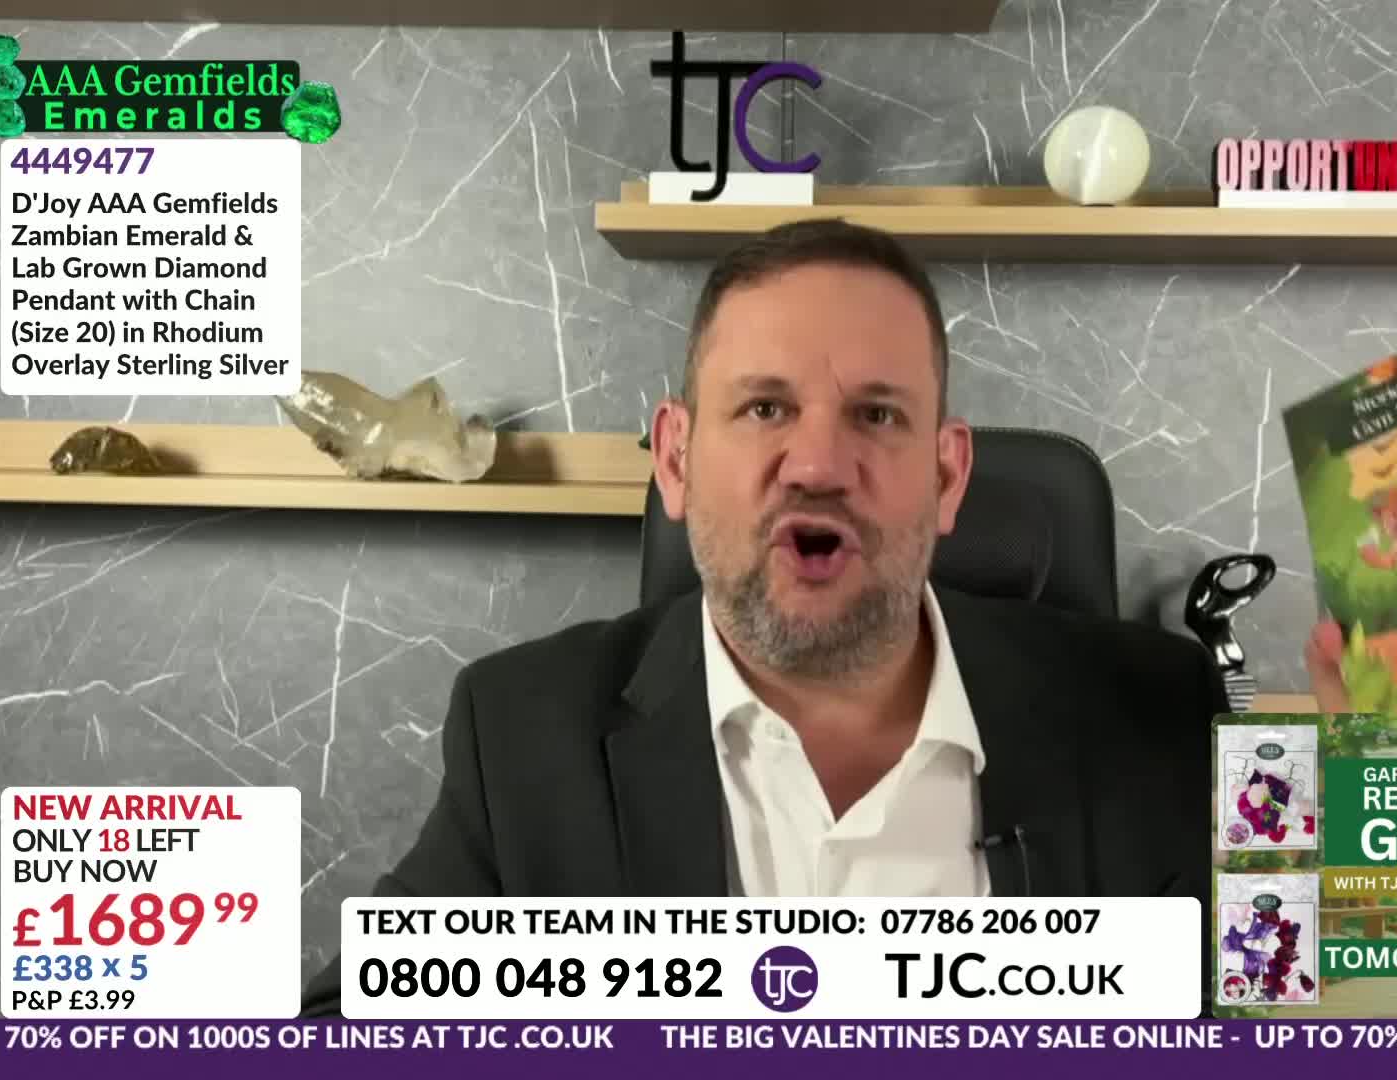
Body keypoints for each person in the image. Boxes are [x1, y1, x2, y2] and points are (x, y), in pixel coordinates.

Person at [299, 218, 1228, 1016]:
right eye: (765, 406)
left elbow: (1305, 1014)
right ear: (675, 459)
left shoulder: (1162, 707)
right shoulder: (523, 734)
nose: (817, 463)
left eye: (876, 414)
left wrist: (1361, 788)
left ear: (947, 478)